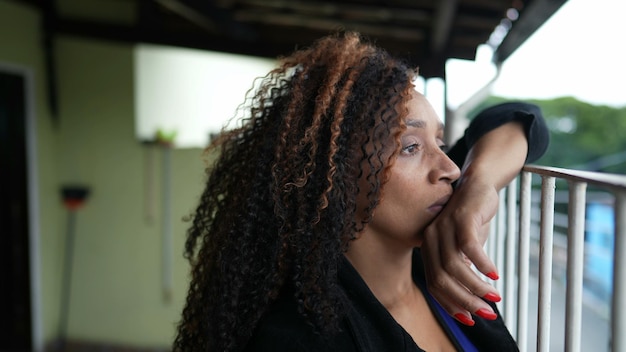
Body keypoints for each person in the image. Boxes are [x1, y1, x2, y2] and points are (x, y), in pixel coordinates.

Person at [173, 32, 549, 351]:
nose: (450, 168)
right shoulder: (302, 337)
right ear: (331, 175)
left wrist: (479, 184)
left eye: (440, 141)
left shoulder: (440, 274)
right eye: (410, 147)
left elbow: (518, 118)